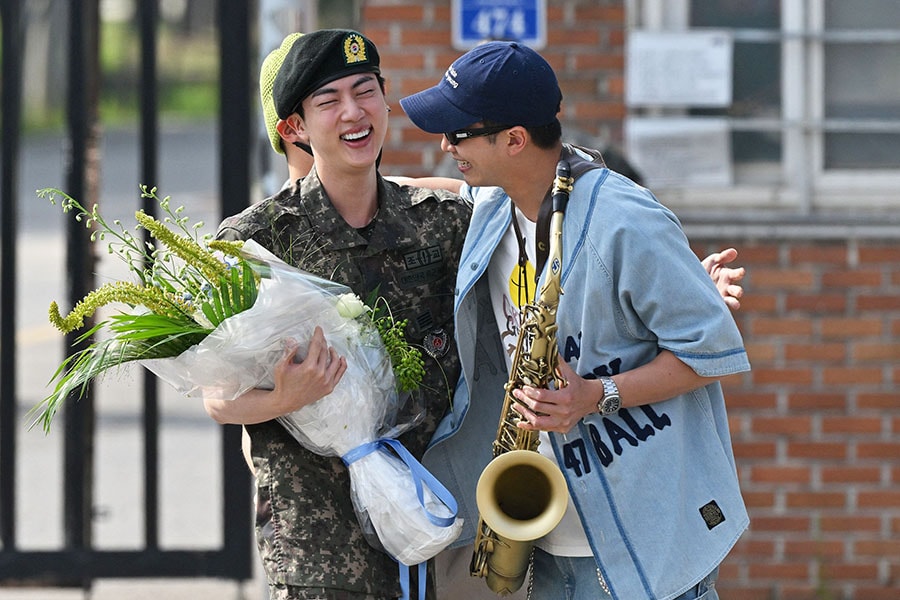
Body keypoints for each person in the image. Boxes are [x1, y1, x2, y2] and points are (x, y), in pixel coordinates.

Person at [400, 41, 751, 600]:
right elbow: (444, 188)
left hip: (642, 545)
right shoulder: (494, 205)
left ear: (514, 140)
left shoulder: (627, 221)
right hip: (544, 546)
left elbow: (708, 352)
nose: (445, 145)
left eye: (458, 133)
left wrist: (598, 394)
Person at [203, 29, 471, 600]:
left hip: (439, 525)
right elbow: (219, 398)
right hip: (319, 548)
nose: (354, 112)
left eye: (365, 90)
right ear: (294, 129)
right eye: (329, 101)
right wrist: (285, 398)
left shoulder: (442, 221)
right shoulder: (254, 243)